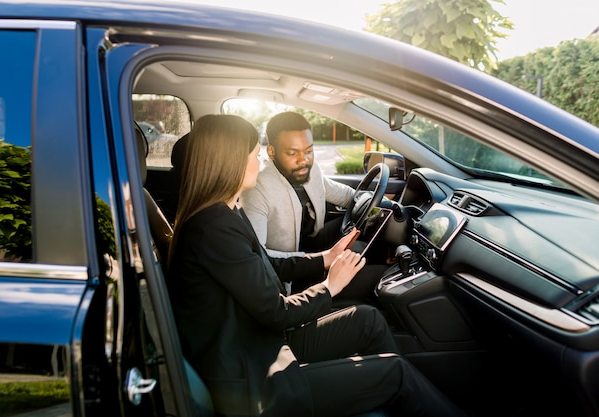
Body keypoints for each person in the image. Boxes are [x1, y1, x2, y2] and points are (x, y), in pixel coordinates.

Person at [167, 114, 466, 417]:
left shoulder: (226, 213)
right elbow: (276, 312)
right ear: (230, 163)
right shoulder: (214, 226)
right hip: (253, 378)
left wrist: (325, 259)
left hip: (261, 343)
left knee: (367, 319)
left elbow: (269, 265)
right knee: (396, 373)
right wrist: (330, 285)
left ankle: (390, 403)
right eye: (254, 154)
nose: (258, 161)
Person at [240, 111, 385, 302]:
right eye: (292, 153)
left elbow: (340, 193)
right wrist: (321, 260)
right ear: (272, 152)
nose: (304, 160)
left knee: (370, 228)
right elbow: (261, 257)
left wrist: (373, 202)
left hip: (312, 242)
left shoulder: (310, 169)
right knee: (381, 277)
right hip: (290, 271)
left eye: (308, 151)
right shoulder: (257, 188)